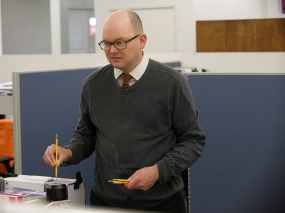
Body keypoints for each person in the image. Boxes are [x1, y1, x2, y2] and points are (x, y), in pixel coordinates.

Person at [43, 9, 205, 213]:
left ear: (142, 41)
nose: (112, 51)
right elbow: (86, 135)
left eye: (120, 42)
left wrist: (158, 171)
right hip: (105, 202)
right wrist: (68, 152)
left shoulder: (172, 83)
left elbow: (193, 140)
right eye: (107, 44)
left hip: (161, 203)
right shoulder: (93, 85)